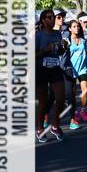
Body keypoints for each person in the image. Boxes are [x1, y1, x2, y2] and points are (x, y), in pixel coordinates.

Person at [35, 8, 66, 142]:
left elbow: (58, 52)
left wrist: (62, 48)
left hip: (55, 68)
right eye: (49, 17)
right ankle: (40, 128)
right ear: (43, 20)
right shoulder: (38, 36)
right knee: (43, 102)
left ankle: (55, 125)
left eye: (53, 17)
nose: (52, 19)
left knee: (60, 98)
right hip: (41, 69)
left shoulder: (57, 34)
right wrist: (44, 50)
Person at [67, 19, 87, 128]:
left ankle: (83, 110)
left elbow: (85, 53)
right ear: (70, 28)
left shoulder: (83, 41)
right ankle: (74, 111)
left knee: (85, 90)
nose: (77, 28)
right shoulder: (67, 41)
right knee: (73, 94)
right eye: (74, 26)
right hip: (72, 70)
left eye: (78, 26)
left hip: (82, 69)